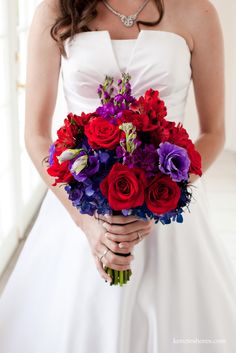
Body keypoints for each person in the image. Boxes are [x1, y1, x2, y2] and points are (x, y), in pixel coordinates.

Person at [0, 0, 236, 352]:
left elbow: (214, 132)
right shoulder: (56, 9)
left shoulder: (198, 11)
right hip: (78, 209)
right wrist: (88, 224)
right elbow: (35, 135)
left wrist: (164, 195)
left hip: (168, 215)